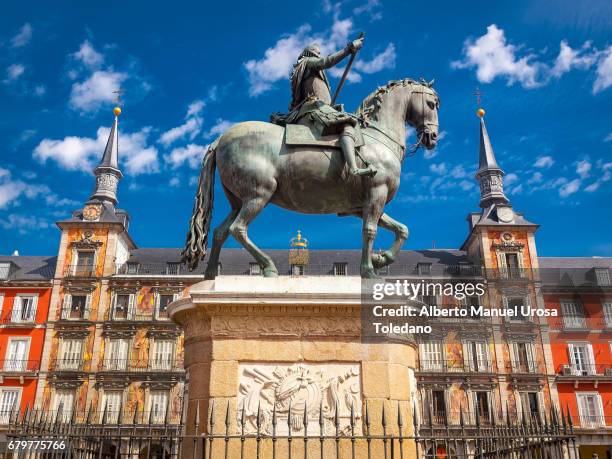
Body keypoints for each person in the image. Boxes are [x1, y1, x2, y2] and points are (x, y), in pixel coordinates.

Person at [283, 37, 376, 177]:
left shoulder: (306, 70)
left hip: (319, 107)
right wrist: (348, 49)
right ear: (311, 54)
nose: (319, 55)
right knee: (347, 124)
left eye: (320, 53)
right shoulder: (307, 63)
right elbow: (326, 62)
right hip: (313, 108)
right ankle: (353, 168)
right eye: (317, 53)